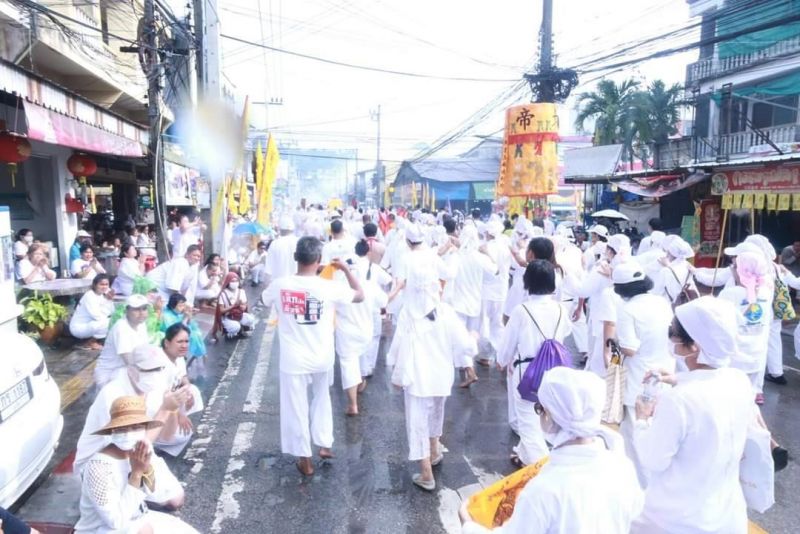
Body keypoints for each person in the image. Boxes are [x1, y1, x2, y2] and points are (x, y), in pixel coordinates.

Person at [460, 366, 643, 533]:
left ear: (549, 416)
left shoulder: (542, 491)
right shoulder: (622, 467)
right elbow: (635, 519)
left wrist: (468, 524)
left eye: (540, 408)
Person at [631, 296, 756, 534]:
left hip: (675, 519)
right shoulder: (739, 381)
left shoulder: (678, 400)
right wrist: (677, 378)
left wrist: (643, 418)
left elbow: (652, 458)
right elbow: (710, 389)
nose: (670, 339)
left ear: (694, 346)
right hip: (726, 515)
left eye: (673, 333)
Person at [261, 236, 364, 476]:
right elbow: (360, 295)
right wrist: (346, 270)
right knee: (322, 398)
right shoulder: (329, 286)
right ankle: (325, 443)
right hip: (322, 356)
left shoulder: (281, 284)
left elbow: (264, 301)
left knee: (295, 406)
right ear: (318, 260)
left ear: (295, 257)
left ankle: (305, 459)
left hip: (293, 358)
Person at [387, 228, 477, 491]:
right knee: (437, 413)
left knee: (417, 422)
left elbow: (395, 349)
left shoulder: (408, 313)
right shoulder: (446, 311)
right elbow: (465, 345)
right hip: (441, 377)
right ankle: (435, 451)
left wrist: (393, 369)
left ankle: (426, 474)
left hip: (417, 378)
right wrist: (473, 336)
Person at [75, 347, 193, 511]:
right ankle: (129, 498)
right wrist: (165, 409)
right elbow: (131, 445)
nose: (155, 374)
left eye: (159, 368)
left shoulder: (154, 385)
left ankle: (137, 495)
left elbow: (167, 436)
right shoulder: (114, 394)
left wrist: (173, 408)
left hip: (134, 453)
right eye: (148, 370)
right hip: (104, 461)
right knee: (122, 514)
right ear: (130, 370)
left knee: (176, 498)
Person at [74, 396, 199, 533]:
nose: (128, 434)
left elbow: (158, 492)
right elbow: (116, 521)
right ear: (112, 431)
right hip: (102, 528)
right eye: (121, 429)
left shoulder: (140, 449)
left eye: (135, 428)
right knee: (143, 530)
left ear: (144, 429)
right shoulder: (99, 467)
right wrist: (136, 474)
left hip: (135, 514)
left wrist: (147, 468)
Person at [497, 260, 571, 467]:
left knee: (528, 422)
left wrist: (502, 361)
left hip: (527, 370)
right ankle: (523, 453)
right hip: (555, 369)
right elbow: (566, 332)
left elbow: (508, 343)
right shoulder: (560, 309)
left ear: (527, 282)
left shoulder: (522, 310)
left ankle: (542, 470)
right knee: (541, 415)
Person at [611, 262, 674, 486]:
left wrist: (613, 343)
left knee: (633, 436)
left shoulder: (628, 310)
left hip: (638, 378)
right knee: (656, 431)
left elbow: (629, 348)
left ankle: (640, 488)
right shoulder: (661, 302)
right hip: (664, 373)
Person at [718, 250, 773, 404]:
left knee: (730, 401)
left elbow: (719, 323)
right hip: (756, 354)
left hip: (734, 357)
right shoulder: (766, 291)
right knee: (748, 401)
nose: (732, 269)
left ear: (742, 271)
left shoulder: (730, 294)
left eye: (735, 266)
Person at [448, 224, 496, 386]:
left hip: (458, 302)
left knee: (459, 337)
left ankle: (469, 369)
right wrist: (488, 253)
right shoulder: (479, 256)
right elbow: (495, 270)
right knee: (470, 335)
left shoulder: (457, 256)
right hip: (475, 302)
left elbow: (449, 274)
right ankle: (466, 363)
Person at [94, 294, 150, 388]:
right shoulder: (121, 327)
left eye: (144, 309)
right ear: (126, 311)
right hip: (110, 374)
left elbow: (145, 352)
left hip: (126, 370)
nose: (141, 313)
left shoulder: (142, 325)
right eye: (136, 309)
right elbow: (129, 360)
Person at [479, 220, 512, 366]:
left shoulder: (484, 248)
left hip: (486, 291)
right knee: (498, 323)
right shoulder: (506, 247)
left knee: (484, 323)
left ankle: (486, 356)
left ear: (487, 232)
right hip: (501, 291)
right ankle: (501, 355)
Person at [70, 274, 116, 351]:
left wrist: (109, 300)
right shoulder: (89, 296)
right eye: (101, 284)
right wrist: (107, 316)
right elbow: (97, 316)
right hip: (79, 328)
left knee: (114, 319)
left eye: (106, 284)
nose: (104, 287)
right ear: (95, 285)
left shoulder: (101, 295)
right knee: (109, 322)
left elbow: (111, 311)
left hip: (90, 324)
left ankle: (96, 340)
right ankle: (90, 342)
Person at [651, 235, 697, 305]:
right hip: (688, 301)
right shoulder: (687, 265)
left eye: (668, 252)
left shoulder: (665, 271)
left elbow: (656, 292)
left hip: (672, 305)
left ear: (671, 253)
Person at [161, 293, 207, 361]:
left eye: (184, 305)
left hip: (182, 329)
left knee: (196, 332)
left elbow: (191, 325)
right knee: (193, 336)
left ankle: (200, 354)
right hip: (172, 334)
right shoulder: (166, 315)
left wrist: (189, 317)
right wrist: (185, 317)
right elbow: (176, 331)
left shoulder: (178, 312)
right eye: (180, 306)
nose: (183, 308)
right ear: (172, 306)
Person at [213, 272, 256, 339]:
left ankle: (242, 328)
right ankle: (230, 331)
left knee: (250, 319)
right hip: (228, 317)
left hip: (239, 315)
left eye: (236, 281)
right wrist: (232, 306)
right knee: (235, 327)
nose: (235, 283)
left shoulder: (241, 291)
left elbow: (244, 307)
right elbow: (221, 310)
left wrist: (242, 306)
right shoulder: (223, 294)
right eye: (232, 281)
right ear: (228, 282)